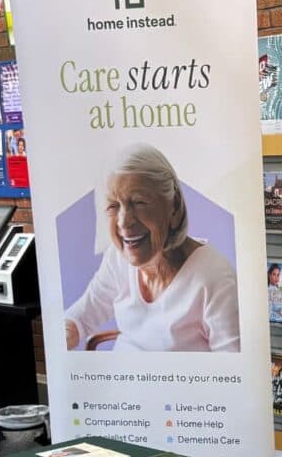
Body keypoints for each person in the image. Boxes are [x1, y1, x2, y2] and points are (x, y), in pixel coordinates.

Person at [64, 142, 240, 352]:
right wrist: (65, 332)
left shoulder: (215, 278)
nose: (123, 222)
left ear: (173, 206)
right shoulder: (117, 258)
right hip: (123, 381)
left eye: (138, 202)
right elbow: (82, 315)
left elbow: (231, 371)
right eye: (113, 206)